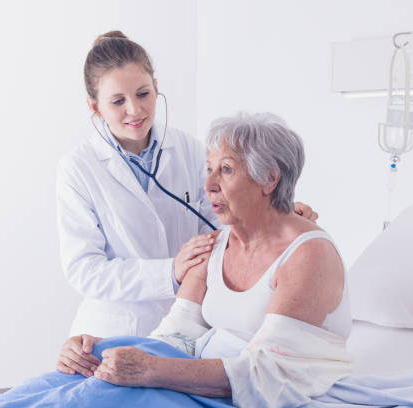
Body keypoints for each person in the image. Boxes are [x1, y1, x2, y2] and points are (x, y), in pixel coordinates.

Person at [0, 112, 349, 407]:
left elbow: (269, 374)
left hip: (240, 394)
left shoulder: (308, 255)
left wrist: (153, 370)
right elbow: (176, 336)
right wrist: (96, 347)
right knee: (69, 380)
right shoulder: (216, 245)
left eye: (227, 169)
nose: (208, 185)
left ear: (269, 178)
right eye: (209, 168)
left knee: (97, 397)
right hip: (193, 379)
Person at [56, 31, 318, 342]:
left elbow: (225, 223)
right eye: (117, 101)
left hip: (191, 323)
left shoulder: (189, 149)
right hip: (113, 331)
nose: (135, 110)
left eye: (143, 94)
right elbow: (85, 269)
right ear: (95, 107)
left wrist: (280, 219)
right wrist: (169, 272)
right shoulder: (79, 168)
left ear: (156, 87)